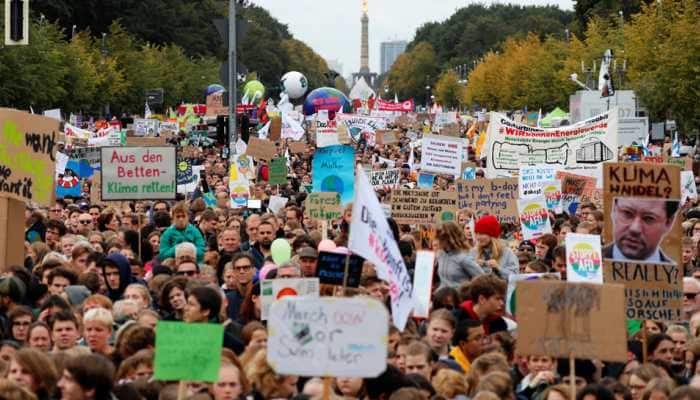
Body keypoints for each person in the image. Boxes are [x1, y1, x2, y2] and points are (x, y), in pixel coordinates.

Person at [604, 198, 680, 263]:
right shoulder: (594, 266)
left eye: (649, 218)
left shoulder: (676, 276)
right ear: (613, 209)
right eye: (627, 213)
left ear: (668, 223)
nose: (635, 228)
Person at [436, 222, 484, 289]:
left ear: (451, 238)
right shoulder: (440, 255)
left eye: (442, 238)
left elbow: (482, 278)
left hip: (459, 297)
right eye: (438, 237)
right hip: (442, 297)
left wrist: (466, 290)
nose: (438, 240)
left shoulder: (464, 258)